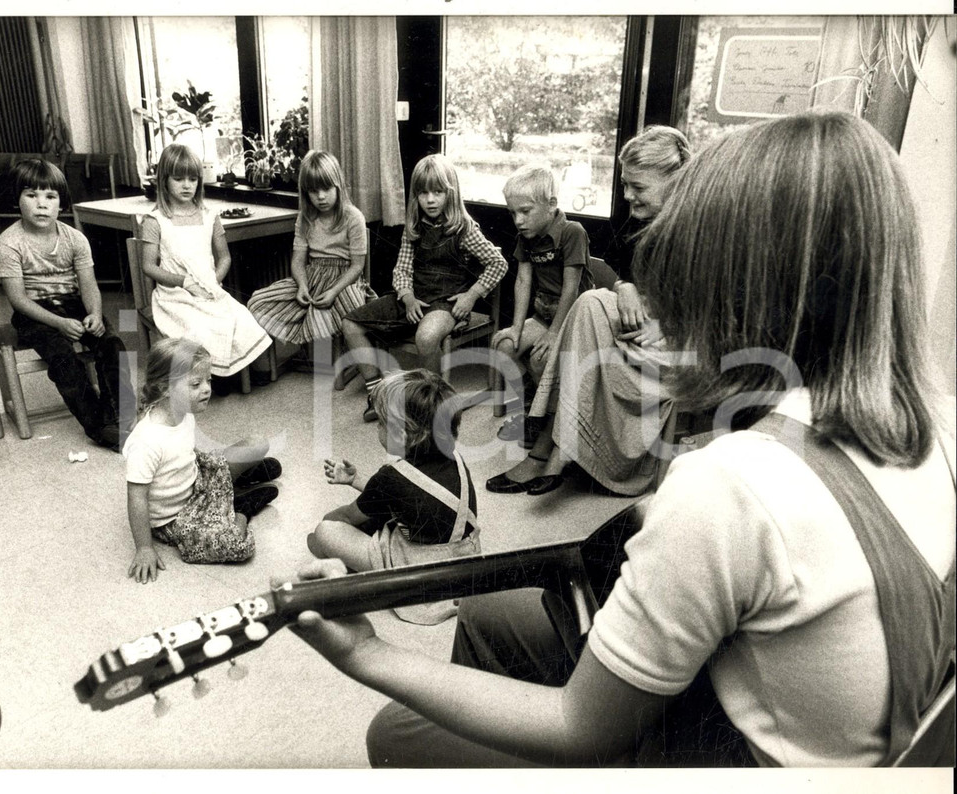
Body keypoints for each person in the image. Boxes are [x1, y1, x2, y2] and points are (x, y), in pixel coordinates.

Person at [287, 112, 956, 767]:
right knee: (490, 607)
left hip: (705, 748)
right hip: (784, 714)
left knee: (398, 734)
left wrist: (369, 654)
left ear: (741, 289)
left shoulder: (733, 484)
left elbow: (582, 728)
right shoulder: (941, 422)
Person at [487, 126, 691, 496]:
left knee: (585, 310)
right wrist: (625, 285)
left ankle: (550, 450)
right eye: (625, 184)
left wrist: (668, 325)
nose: (627, 195)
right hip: (643, 326)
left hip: (684, 341)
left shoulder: (707, 228)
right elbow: (627, 272)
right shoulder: (645, 221)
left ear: (675, 179)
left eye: (638, 187)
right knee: (590, 302)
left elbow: (724, 308)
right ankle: (557, 447)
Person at [341, 154, 507, 422]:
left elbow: (498, 264)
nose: (430, 199)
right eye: (423, 192)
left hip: (446, 303)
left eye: (438, 192)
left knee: (427, 337)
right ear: (415, 195)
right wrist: (406, 298)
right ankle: (376, 391)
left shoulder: (465, 229)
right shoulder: (414, 228)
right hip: (414, 297)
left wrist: (471, 295)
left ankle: (433, 400)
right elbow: (402, 269)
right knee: (350, 324)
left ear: (450, 193)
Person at [307, 368, 480, 624]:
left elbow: (347, 516)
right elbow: (411, 494)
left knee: (325, 532)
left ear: (402, 434)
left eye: (381, 423)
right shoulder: (455, 459)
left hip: (419, 574)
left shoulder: (391, 476)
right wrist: (356, 480)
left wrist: (325, 531)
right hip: (462, 565)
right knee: (381, 515)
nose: (378, 428)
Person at [0, 157, 135, 451]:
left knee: (111, 343)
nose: (41, 204)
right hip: (33, 313)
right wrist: (58, 323)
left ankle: (121, 417)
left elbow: (88, 286)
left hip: (74, 305)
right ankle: (99, 426)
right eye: (31, 195)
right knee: (62, 357)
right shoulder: (8, 243)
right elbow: (18, 300)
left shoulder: (75, 239)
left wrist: (95, 314)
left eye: (50, 196)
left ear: (62, 202)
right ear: (17, 199)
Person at [123, 337, 282, 583]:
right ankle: (242, 507)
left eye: (208, 380)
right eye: (196, 384)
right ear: (165, 388)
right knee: (237, 545)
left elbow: (186, 454)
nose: (207, 389)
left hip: (196, 480)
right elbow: (136, 497)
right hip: (176, 517)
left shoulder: (183, 414)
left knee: (258, 442)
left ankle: (237, 483)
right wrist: (144, 548)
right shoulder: (146, 441)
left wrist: (213, 471)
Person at [137, 144, 271, 383]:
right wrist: (185, 282)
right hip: (174, 296)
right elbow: (149, 266)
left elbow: (225, 257)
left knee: (240, 316)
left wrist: (214, 279)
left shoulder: (210, 216)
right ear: (163, 181)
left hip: (209, 289)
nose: (187, 185)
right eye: (178, 179)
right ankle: (213, 376)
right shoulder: (155, 220)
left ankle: (233, 371)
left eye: (193, 179)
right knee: (199, 327)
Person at [490, 163, 593, 448]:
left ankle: (544, 421)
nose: (518, 221)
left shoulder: (572, 232)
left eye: (525, 212)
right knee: (503, 346)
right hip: (543, 313)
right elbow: (523, 282)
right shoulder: (526, 237)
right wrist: (517, 327)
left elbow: (571, 289)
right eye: (513, 213)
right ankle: (532, 405)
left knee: (539, 360)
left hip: (572, 318)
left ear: (551, 205)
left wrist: (553, 333)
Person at [246, 150, 372, 369]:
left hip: (345, 280)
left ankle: (334, 349)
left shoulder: (353, 217)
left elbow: (357, 266)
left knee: (350, 306)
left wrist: (333, 291)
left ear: (338, 186)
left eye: (326, 189)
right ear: (306, 193)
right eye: (314, 191)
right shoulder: (305, 218)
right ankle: (292, 352)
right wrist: (302, 286)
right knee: (257, 301)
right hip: (312, 275)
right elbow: (297, 261)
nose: (321, 197)